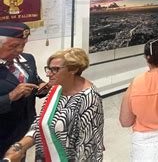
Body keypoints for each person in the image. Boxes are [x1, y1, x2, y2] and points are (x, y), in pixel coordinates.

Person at [6, 48, 104, 161]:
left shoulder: (90, 98)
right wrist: (20, 146)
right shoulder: (55, 89)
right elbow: (41, 122)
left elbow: (89, 147)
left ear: (73, 69)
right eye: (48, 68)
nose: (48, 74)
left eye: (55, 69)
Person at [0, 22, 48, 158]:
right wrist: (10, 96)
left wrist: (43, 87)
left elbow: (35, 80)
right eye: (14, 46)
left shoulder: (27, 59)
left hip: (23, 128)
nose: (20, 50)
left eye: (23, 45)